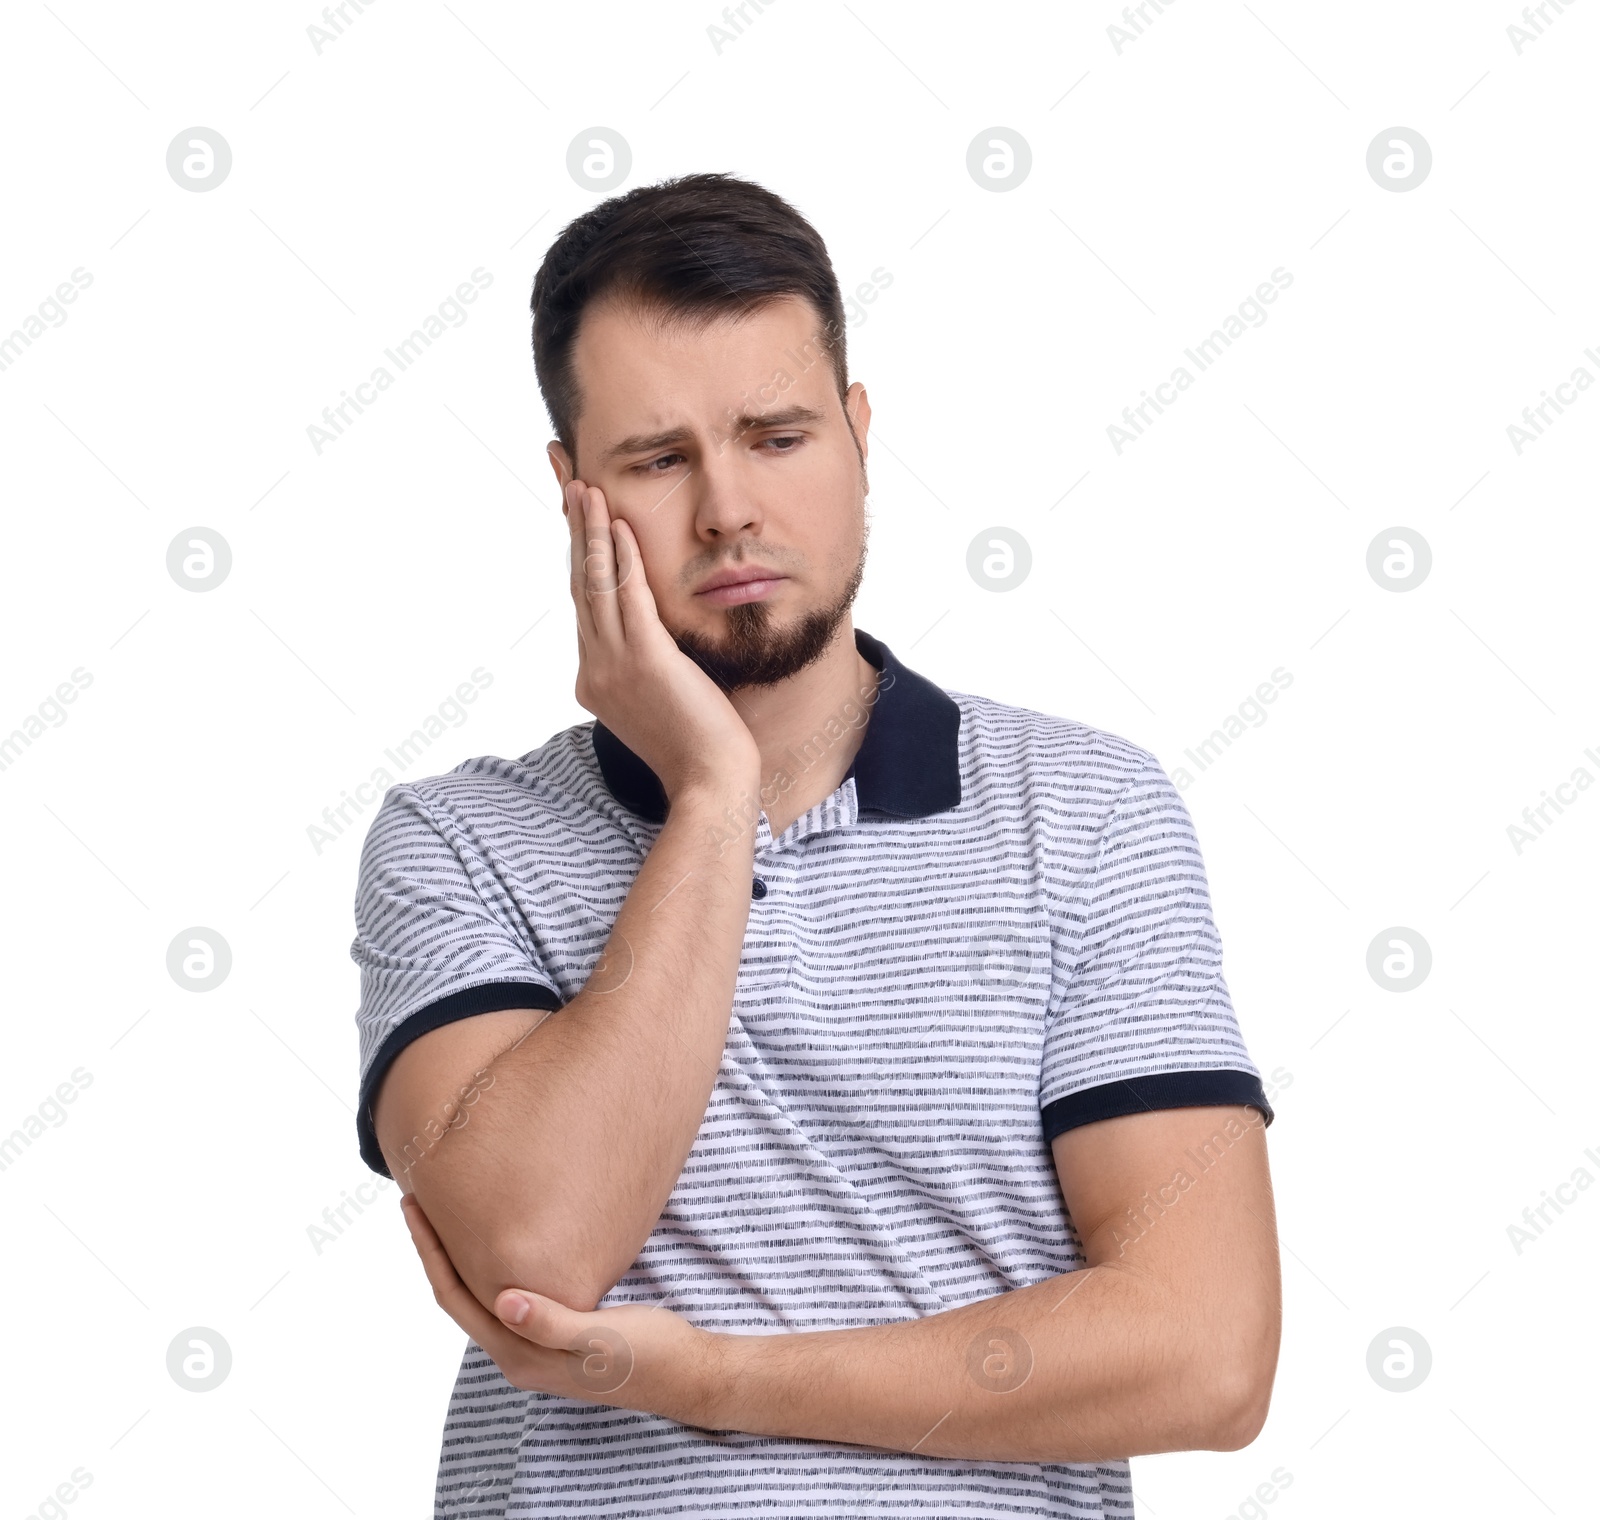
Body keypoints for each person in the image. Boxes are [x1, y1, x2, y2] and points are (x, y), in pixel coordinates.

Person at [349, 170, 1282, 1518]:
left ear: (857, 433)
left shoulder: (1086, 815)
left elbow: (1206, 1356)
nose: (727, 508)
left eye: (777, 438)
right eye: (659, 461)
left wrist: (714, 1379)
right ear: (571, 492)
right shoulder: (457, 842)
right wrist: (715, 797)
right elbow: (538, 1248)